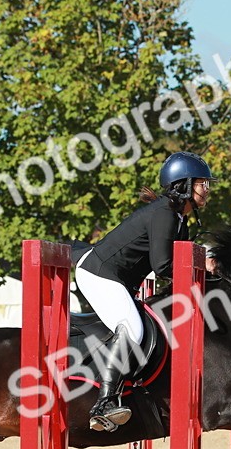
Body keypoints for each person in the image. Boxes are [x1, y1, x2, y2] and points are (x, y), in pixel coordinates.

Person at [74, 151, 216, 431]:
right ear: (184, 185)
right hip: (99, 275)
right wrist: (203, 264)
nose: (207, 190)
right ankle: (105, 403)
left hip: (120, 280)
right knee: (132, 329)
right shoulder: (164, 213)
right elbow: (163, 266)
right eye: (203, 184)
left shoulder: (177, 218)